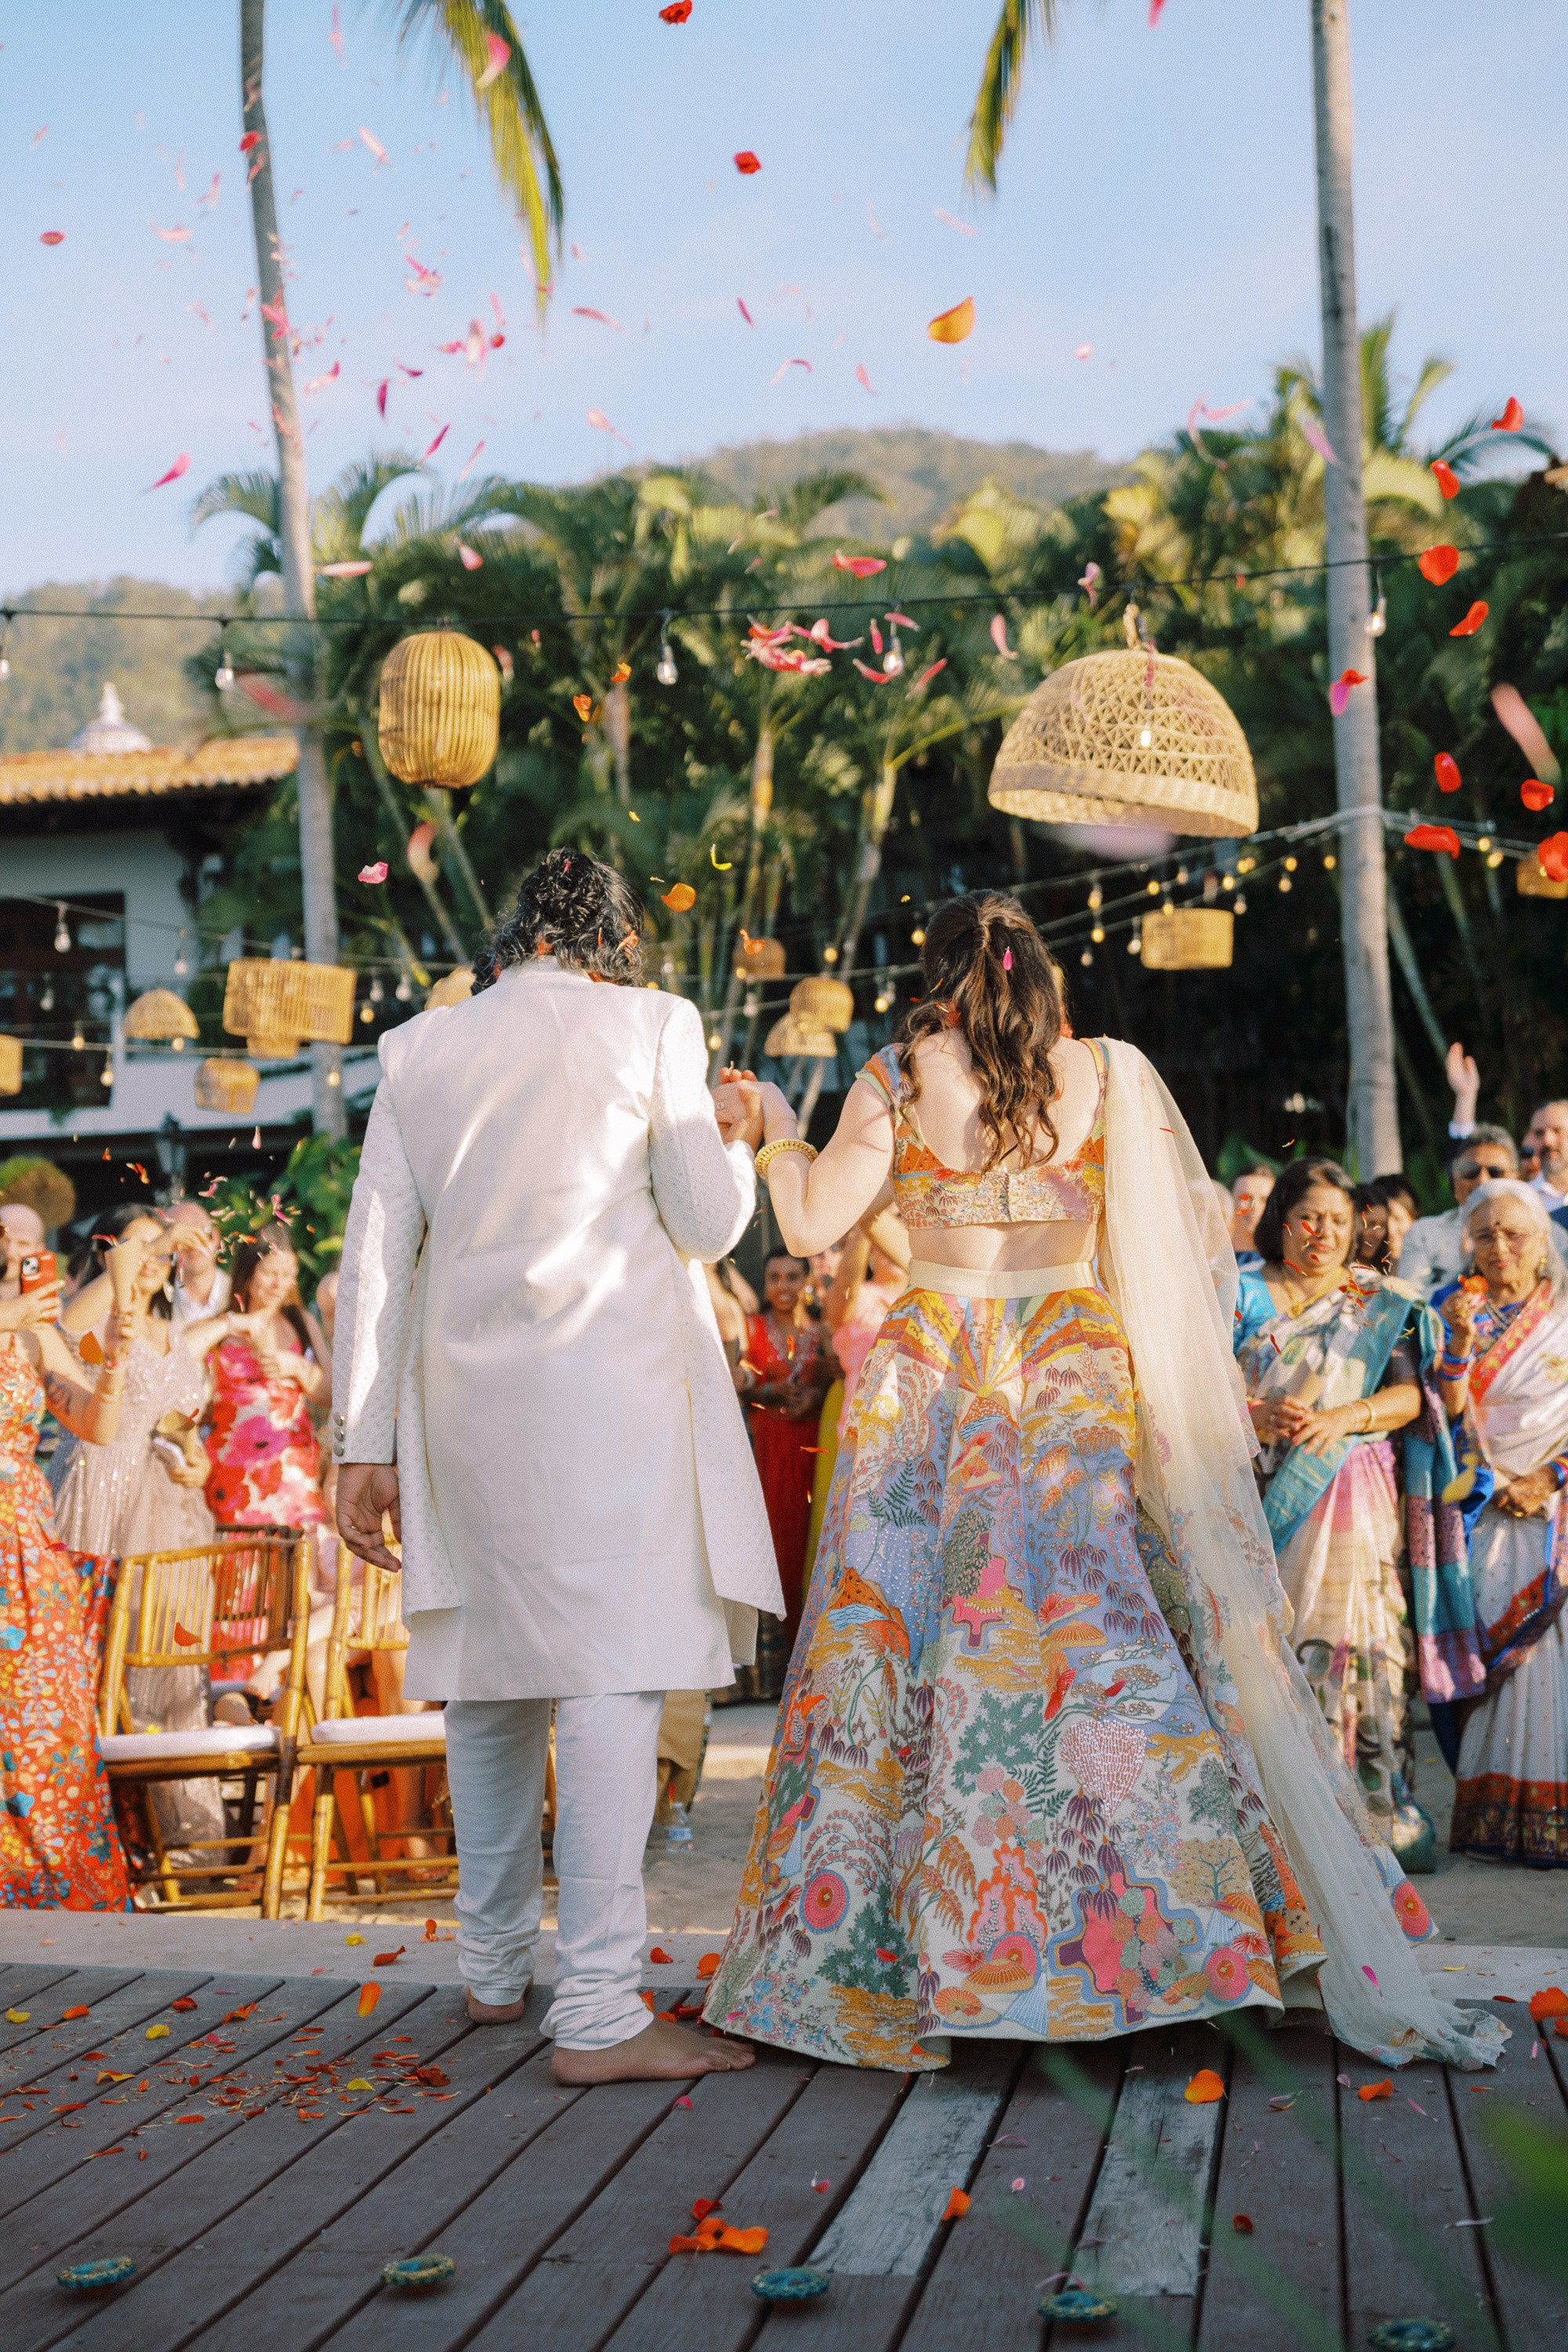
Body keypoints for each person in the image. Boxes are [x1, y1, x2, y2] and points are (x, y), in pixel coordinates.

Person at [705, 891, 1499, 2074]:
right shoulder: (1111, 1074)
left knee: (911, 1650)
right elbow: (1156, 1250)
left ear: (939, 973)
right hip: (1073, 1363)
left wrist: (770, 1119)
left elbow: (814, 1217)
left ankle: (927, 1953)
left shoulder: (896, 1074)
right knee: (1105, 1639)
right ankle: (1174, 1937)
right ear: (1039, 976)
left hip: (934, 1374)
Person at [330, 848, 779, 2083]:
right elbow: (706, 1220)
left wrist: (361, 1445)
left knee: (485, 1673)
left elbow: (375, 1259)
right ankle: (594, 2011)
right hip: (610, 1397)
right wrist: (739, 1141)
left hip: (466, 1401)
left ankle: (487, 1973)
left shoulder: (422, 1048)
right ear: (615, 942)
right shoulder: (654, 1025)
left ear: (509, 938)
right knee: (611, 1678)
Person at [1232, 1160, 1447, 1870]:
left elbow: (1410, 1398)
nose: (1323, 1232)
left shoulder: (1377, 1301)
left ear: (1358, 1227)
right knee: (1267, 1643)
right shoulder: (1236, 1292)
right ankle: (1279, 1816)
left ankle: (1368, 1815)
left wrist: (1346, 1417)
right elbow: (1193, 1390)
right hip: (1256, 1493)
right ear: (1282, 1221)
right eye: (1308, 1217)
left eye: (1338, 1219)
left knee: (1356, 1644)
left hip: (1352, 1493)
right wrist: (1254, 1414)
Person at [53, 1208, 235, 1861]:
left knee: (171, 1670)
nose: (158, 1257)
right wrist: (147, 1245)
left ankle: (186, 1842)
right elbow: (66, 1327)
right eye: (138, 1244)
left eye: (162, 1247)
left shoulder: (173, 1334)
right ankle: (99, 1838)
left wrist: (201, 1463)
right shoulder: (94, 1324)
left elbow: (186, 1428)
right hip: (101, 1500)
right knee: (96, 1668)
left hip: (170, 1513)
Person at [1435, 1181, 1568, 1867]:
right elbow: (1443, 1412)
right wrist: (1457, 1337)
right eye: (1485, 1234)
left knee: (1553, 1664)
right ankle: (1492, 1817)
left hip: (1555, 1514)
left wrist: (1551, 1477)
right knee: (1496, 1663)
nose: (1500, 1247)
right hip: (1480, 1507)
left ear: (1542, 1240)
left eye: (1514, 1233)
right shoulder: (1449, 1308)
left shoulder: (1566, 1314)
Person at [0, 1265, 134, 1907]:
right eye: (10, 1234)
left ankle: (57, 1879)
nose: (24, 1249)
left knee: (47, 1710)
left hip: (27, 1541)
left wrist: (114, 1363)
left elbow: (95, 1425)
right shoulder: (15, 1322)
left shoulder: (35, 1335)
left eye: (30, 1239)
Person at [737, 1250, 837, 1690]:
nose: (783, 1286)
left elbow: (836, 1380)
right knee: (772, 1550)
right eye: (774, 1277)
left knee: (808, 1550)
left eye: (792, 1277)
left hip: (812, 1452)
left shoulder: (822, 1332)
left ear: (807, 1281)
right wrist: (769, 1391)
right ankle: (771, 1677)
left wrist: (815, 1399)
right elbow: (736, 1384)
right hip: (766, 1453)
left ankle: (812, 1668)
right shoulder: (750, 1329)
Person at [205, 1224, 331, 1533]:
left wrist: (298, 1367)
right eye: (270, 1272)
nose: (280, 1284)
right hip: (235, 1477)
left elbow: (329, 1394)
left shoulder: (301, 1322)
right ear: (248, 1273)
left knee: (297, 1571)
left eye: (288, 1274)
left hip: (293, 1474)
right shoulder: (221, 1328)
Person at [1400, 1130, 1518, 1297]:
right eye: (1471, 1171)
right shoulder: (1423, 1233)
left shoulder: (1543, 1231)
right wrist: (1465, 1271)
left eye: (1495, 1172)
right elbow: (1410, 1303)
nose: (1482, 1180)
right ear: (1454, 1179)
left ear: (1516, 1179)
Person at [167, 1202, 232, 1335]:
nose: (194, 1245)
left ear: (215, 1237)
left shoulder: (240, 1293)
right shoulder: (156, 1303)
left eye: (203, 1233)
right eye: (183, 1239)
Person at [1229, 1165, 1276, 1269]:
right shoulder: (1210, 1257)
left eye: (1265, 1200)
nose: (1255, 1207)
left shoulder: (1287, 1260)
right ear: (1230, 1200)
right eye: (1246, 1198)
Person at [0, 1203, 46, 1303]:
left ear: (39, 1250)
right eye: (4, 1240)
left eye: (23, 1244)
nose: (10, 1252)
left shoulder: (48, 1306)